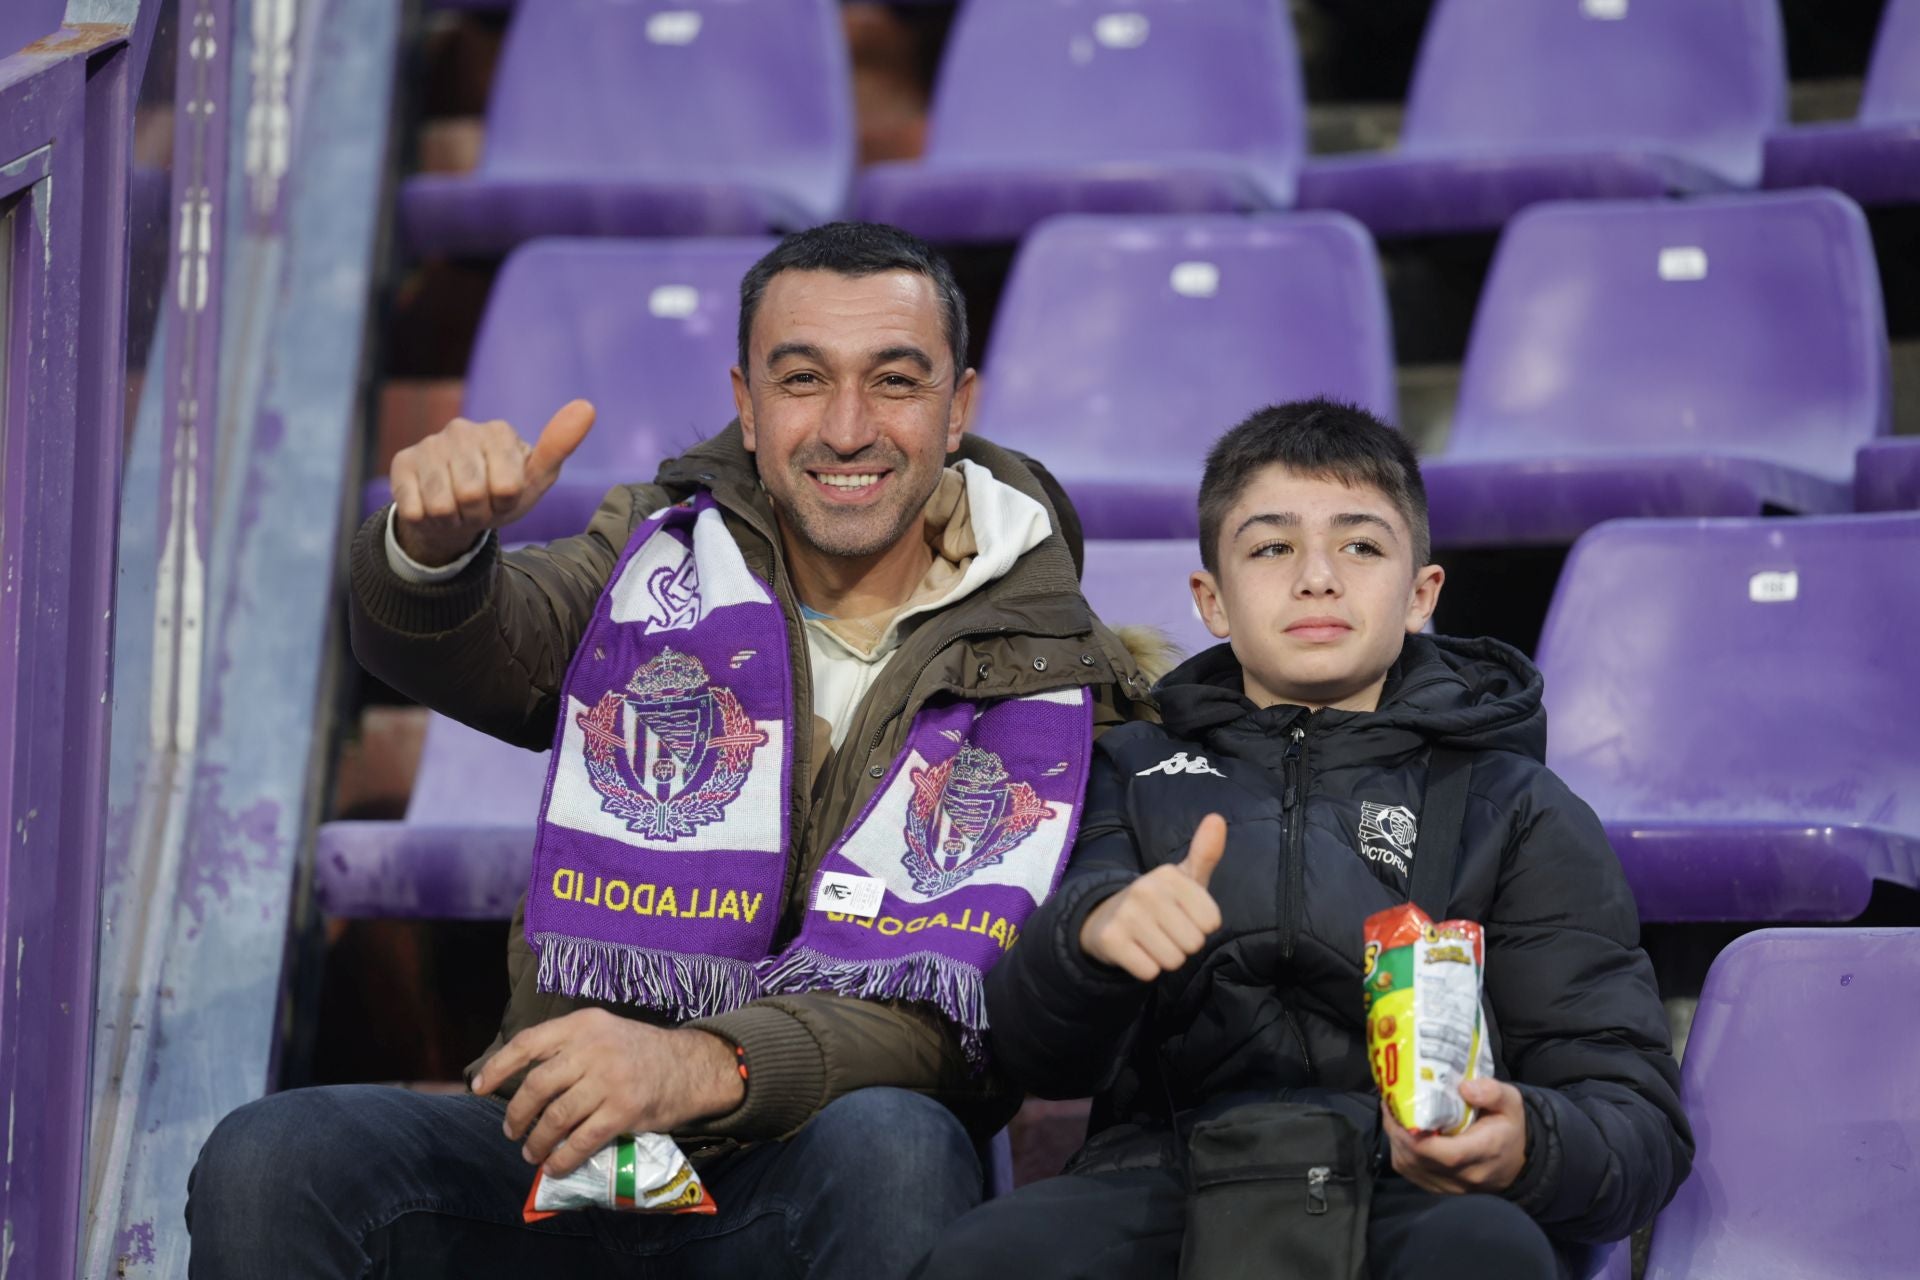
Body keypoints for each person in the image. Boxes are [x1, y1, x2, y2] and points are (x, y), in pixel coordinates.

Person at [186, 222, 1158, 1280]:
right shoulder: (654, 555)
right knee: (271, 1157)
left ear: (957, 405)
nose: (846, 426)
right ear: (746, 403)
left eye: (893, 380)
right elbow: (477, 644)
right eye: (802, 379)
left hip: (812, 1165)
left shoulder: (1054, 674)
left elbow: (971, 1027)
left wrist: (706, 1063)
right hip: (583, 1158)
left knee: (900, 1143)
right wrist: (435, 550)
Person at [917, 400, 1692, 1280]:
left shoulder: (1517, 805)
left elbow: (1631, 1117)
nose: (1317, 578)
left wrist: (1527, 1143)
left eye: (1361, 546)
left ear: (1421, 595)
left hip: (1413, 1186)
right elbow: (1034, 1052)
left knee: (1487, 1252)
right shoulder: (1121, 771)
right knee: (985, 1259)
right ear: (1211, 599)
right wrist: (1089, 943)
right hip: (1167, 1179)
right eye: (1271, 547)